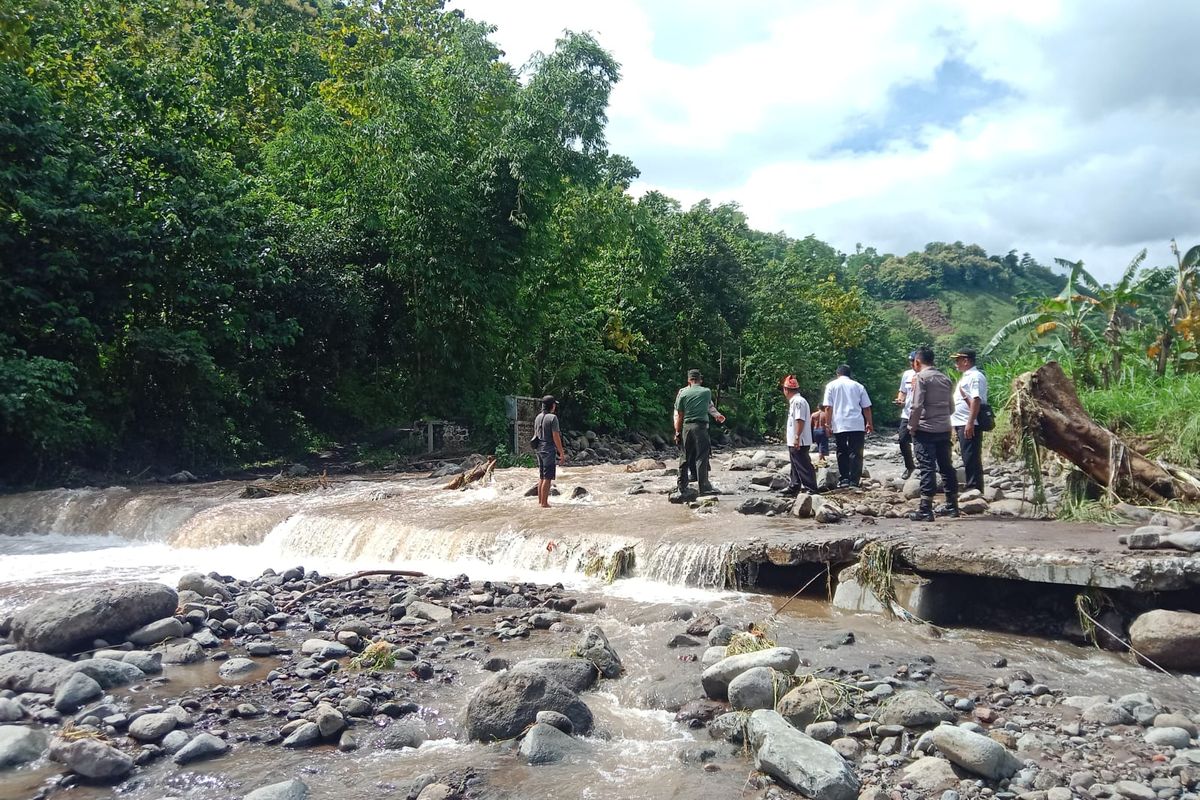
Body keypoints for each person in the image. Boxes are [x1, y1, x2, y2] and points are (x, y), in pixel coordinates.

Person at [906, 347, 958, 520]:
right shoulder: (945, 378)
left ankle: (925, 509)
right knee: (946, 467)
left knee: (927, 467)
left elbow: (916, 405)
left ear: (917, 362)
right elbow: (951, 407)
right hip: (944, 428)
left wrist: (912, 426)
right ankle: (952, 506)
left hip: (925, 429)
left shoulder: (921, 378)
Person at [674, 368, 726, 496]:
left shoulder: (682, 393)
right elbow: (709, 405)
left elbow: (679, 415)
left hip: (686, 427)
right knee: (702, 457)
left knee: (684, 457)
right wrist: (717, 415)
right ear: (700, 380)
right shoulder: (706, 392)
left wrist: (677, 432)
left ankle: (682, 487)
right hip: (701, 427)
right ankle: (704, 488)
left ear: (688, 380)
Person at [821, 365, 873, 488]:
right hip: (856, 423)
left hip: (839, 423)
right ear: (850, 374)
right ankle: (854, 481)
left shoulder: (831, 386)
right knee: (856, 452)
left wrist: (828, 424)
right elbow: (866, 407)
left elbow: (828, 407)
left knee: (841, 451)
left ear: (837, 374)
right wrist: (869, 423)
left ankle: (844, 478)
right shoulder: (858, 386)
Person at [951, 348, 989, 494]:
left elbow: (976, 400)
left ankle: (974, 487)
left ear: (966, 361)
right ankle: (972, 485)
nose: (956, 363)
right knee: (967, 455)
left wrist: (970, 422)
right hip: (962, 422)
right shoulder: (967, 376)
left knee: (971, 456)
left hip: (970, 423)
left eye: (958, 360)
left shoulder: (975, 376)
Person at [779, 375, 818, 496]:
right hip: (795, 439)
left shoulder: (798, 402)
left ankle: (811, 487)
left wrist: (797, 436)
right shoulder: (796, 401)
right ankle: (794, 485)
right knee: (795, 464)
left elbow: (799, 420)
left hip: (800, 439)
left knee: (803, 464)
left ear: (786, 390)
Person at [532, 395, 566, 508]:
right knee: (548, 478)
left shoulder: (538, 417)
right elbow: (556, 436)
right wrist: (561, 453)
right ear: (552, 405)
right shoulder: (553, 418)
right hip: (548, 450)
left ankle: (540, 501)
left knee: (542, 476)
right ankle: (544, 503)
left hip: (539, 449)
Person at [894, 352, 918, 479]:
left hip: (921, 415)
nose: (912, 363)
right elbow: (902, 391)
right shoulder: (907, 374)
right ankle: (910, 467)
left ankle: (927, 466)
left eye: (914, 361)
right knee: (903, 440)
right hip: (907, 413)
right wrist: (900, 400)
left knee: (920, 441)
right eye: (910, 361)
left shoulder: (927, 375)